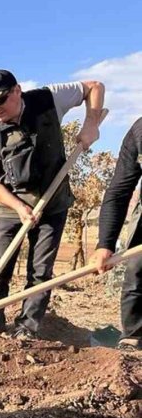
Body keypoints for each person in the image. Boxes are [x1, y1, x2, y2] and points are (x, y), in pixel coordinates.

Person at [0, 69, 105, 338]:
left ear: (17, 91)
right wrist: (19, 207)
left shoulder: (48, 99)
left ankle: (27, 329)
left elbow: (94, 86)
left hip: (53, 202)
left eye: (0, 101)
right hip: (9, 206)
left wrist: (91, 123)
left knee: (41, 272)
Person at [91, 117, 142, 350]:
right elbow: (119, 191)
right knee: (137, 271)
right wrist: (105, 244)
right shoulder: (139, 131)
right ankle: (134, 336)